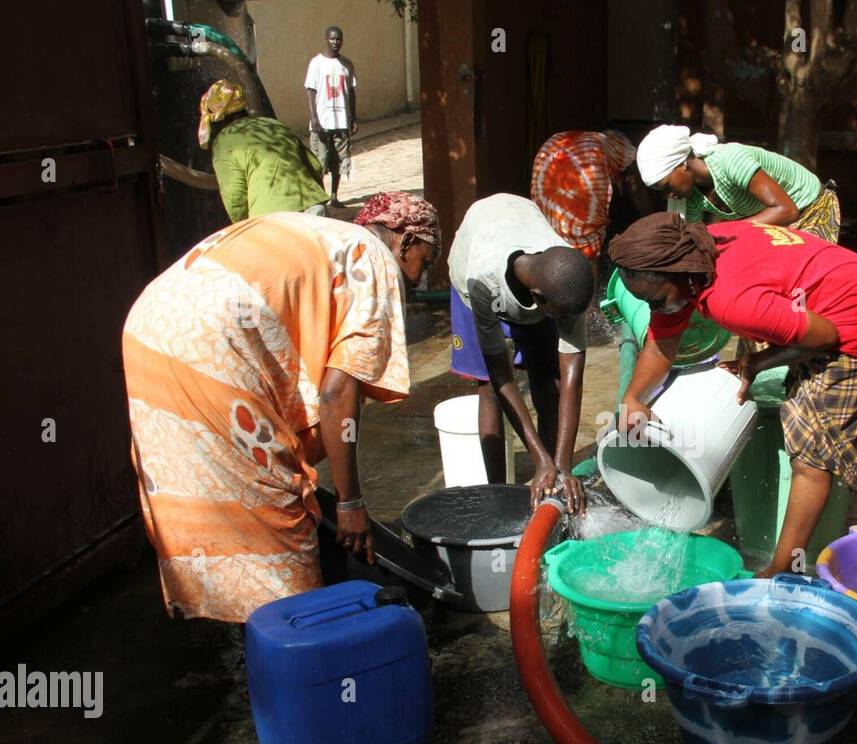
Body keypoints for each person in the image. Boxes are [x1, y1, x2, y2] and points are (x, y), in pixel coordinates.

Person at [122, 192, 439, 624]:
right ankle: (291, 632)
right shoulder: (375, 259)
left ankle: (237, 622)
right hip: (213, 339)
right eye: (428, 258)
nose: (423, 277)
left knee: (201, 485)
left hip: (151, 323)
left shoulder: (324, 233)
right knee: (272, 499)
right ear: (406, 241)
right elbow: (337, 393)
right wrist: (350, 503)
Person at [607, 213, 857, 576]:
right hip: (851, 291)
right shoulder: (698, 248)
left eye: (656, 299)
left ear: (678, 273)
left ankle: (783, 568)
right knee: (806, 428)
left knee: (812, 458)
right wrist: (634, 399)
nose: (654, 309)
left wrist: (756, 361)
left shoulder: (729, 298)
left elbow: (824, 337)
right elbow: (661, 344)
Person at [446, 193, 595, 513]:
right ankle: (497, 492)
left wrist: (563, 466)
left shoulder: (567, 275)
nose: (563, 323)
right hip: (473, 272)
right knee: (487, 388)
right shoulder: (481, 280)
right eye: (558, 317)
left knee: (549, 382)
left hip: (521, 222)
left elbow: (572, 375)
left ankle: (552, 482)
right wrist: (539, 458)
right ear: (539, 299)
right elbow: (501, 376)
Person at [635, 125, 840, 242]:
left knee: (800, 284)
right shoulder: (691, 197)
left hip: (811, 209)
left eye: (666, 186)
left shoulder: (729, 161)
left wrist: (721, 232)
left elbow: (787, 211)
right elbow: (690, 239)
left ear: (682, 164)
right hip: (779, 218)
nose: (668, 196)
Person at [198, 80, 329, 222]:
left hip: (276, 221)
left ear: (217, 120)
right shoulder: (273, 125)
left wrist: (243, 227)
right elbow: (315, 165)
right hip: (315, 209)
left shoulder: (224, 142)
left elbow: (235, 197)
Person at [530, 130, 652, 262]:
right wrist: (651, 220)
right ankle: (590, 265)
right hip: (577, 179)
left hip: (547, 181)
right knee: (587, 235)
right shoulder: (622, 148)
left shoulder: (584, 141)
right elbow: (635, 188)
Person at [305, 25, 358, 208]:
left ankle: (334, 196)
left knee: (339, 161)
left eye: (339, 39)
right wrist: (314, 117)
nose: (336, 42)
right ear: (326, 39)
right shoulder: (317, 63)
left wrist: (353, 117)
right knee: (320, 160)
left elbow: (351, 92)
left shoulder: (347, 65)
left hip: (341, 121)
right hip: (322, 121)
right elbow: (311, 91)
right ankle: (319, 197)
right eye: (333, 39)